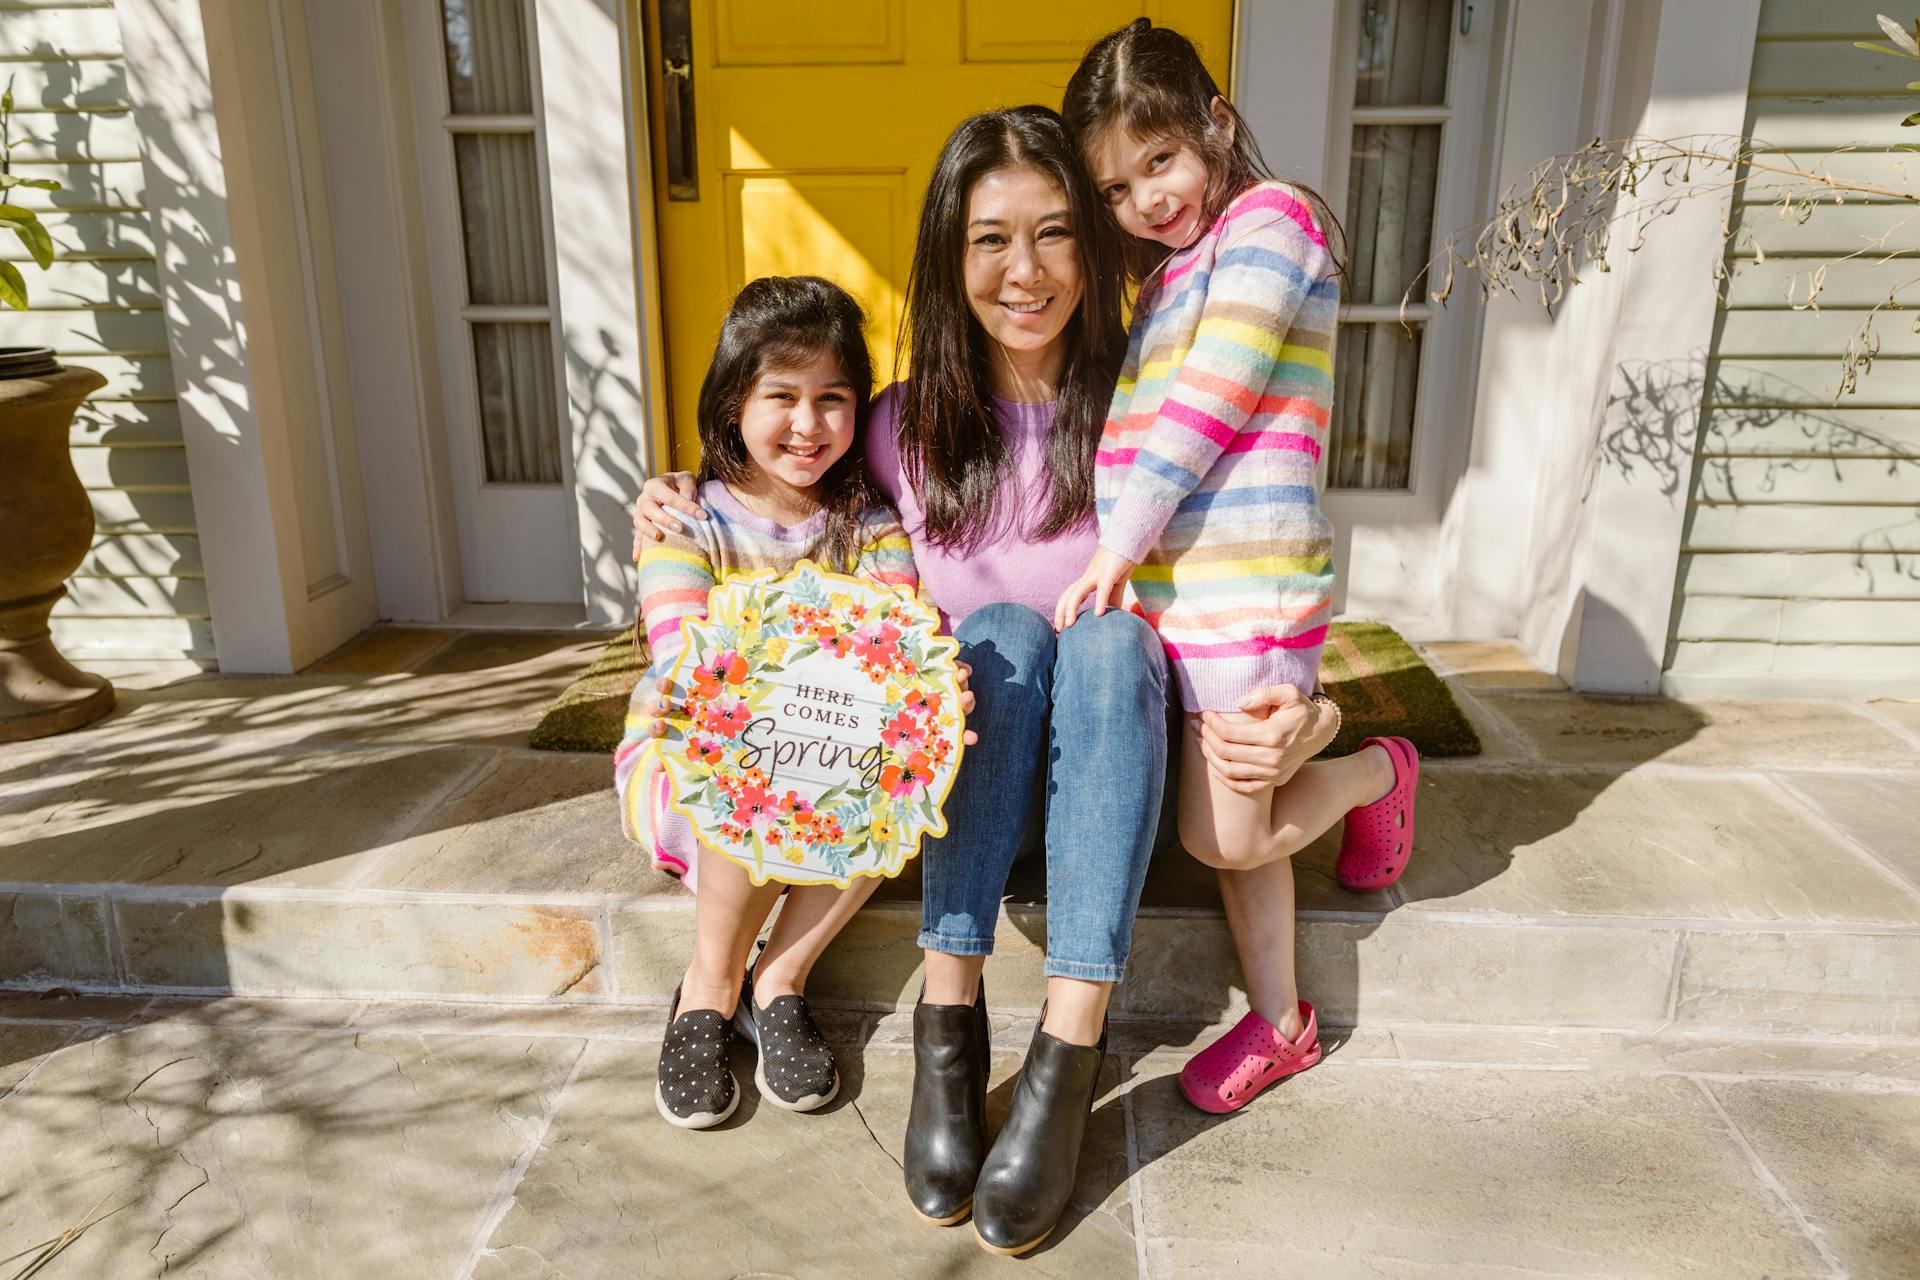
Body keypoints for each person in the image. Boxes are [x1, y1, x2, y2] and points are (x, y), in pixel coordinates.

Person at [636, 107, 1342, 1253]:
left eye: (1057, 233)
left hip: (1112, 786)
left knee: (1112, 638)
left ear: (1095, 247)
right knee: (1004, 627)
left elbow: (1261, 562)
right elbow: (776, 485)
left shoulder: (1154, 402)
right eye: (990, 239)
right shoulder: (898, 427)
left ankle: (1069, 1052)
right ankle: (949, 1023)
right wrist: (676, 488)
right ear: (948, 255)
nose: (1025, 272)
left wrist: (1313, 707)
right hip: (971, 793)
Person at [1056, 19, 1421, 1117]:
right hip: (1177, 589)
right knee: (1238, 832)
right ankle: (1283, 1018)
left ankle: (1380, 775)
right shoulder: (1169, 276)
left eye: (1159, 160)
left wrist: (1116, 547)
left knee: (1228, 827)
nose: (1145, 201)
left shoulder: (1275, 222)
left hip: (1251, 590)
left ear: (1218, 122)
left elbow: (1212, 401)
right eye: (1117, 188)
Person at [616, 276, 941, 1131]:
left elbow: (901, 638)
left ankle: (781, 978)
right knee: (748, 760)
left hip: (831, 760)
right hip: (694, 753)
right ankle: (707, 990)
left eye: (833, 399)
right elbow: (685, 659)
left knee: (905, 777)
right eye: (782, 397)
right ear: (733, 403)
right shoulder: (688, 521)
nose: (809, 425)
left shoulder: (867, 526)